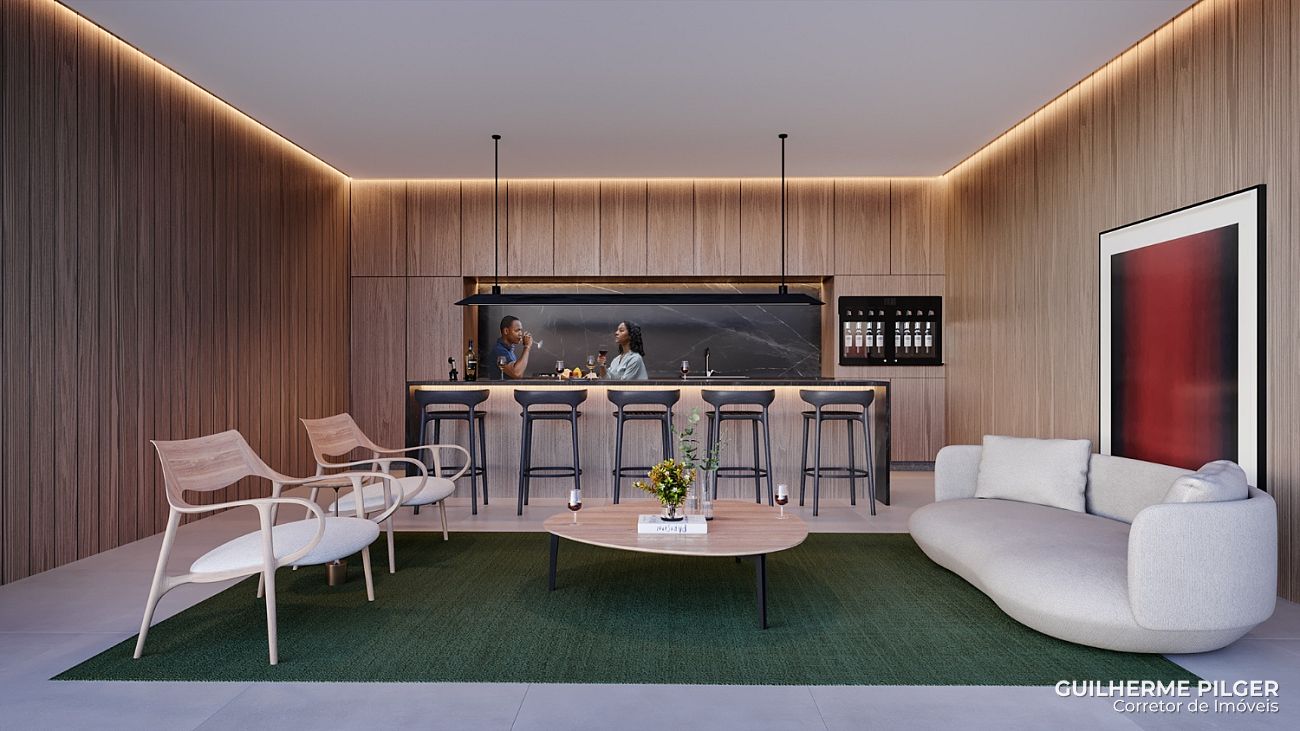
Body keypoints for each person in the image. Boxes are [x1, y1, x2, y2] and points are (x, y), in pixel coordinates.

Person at [492, 315, 533, 379]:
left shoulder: (509, 350)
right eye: (517, 330)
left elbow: (520, 374)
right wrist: (527, 347)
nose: (520, 334)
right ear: (506, 331)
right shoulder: (499, 350)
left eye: (520, 330)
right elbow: (517, 373)